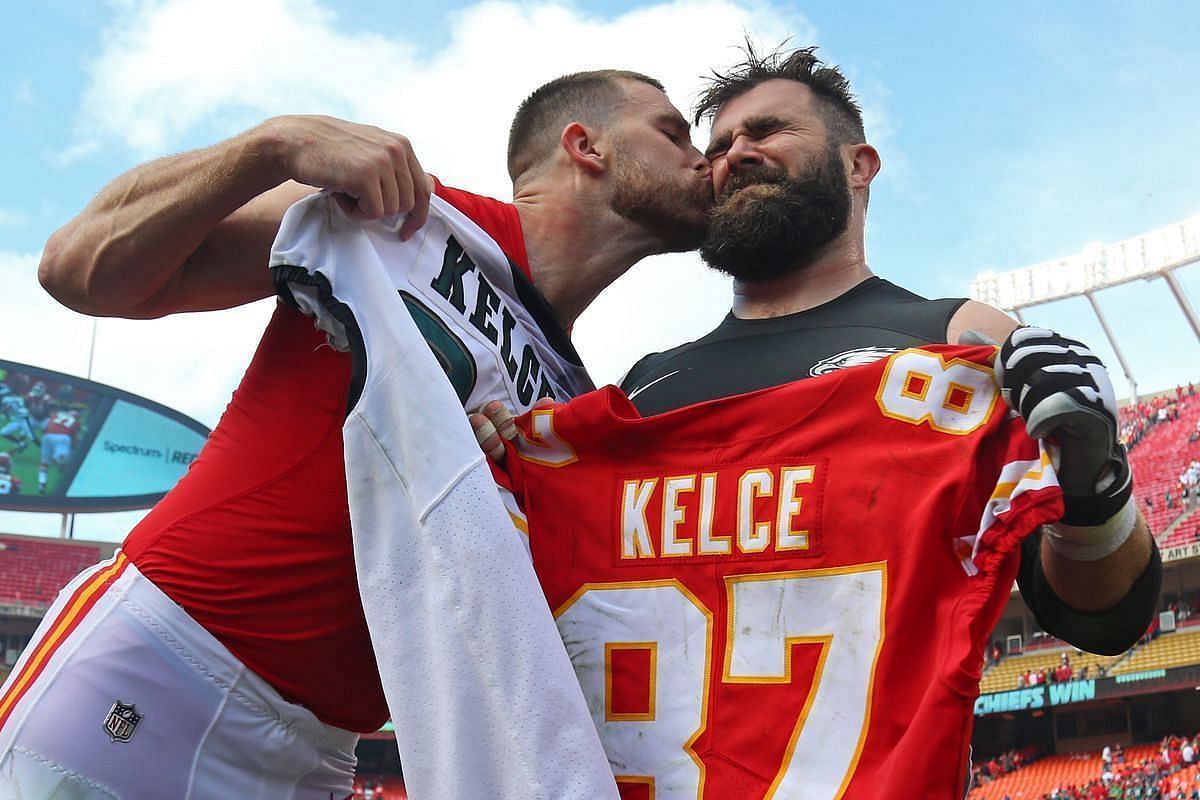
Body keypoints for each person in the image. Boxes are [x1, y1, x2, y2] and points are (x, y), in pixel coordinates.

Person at [472, 45, 1159, 797]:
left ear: (858, 165)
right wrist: (494, 470)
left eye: (767, 130)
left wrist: (1094, 482)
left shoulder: (958, 340)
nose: (736, 155)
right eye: (719, 147)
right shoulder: (640, 387)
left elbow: (1105, 620)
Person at [2, 71, 710, 798]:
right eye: (673, 131)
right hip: (165, 666)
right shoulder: (401, 216)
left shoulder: (573, 399)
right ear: (584, 145)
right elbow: (78, 268)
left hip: (323, 753)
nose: (703, 156)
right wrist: (271, 144)